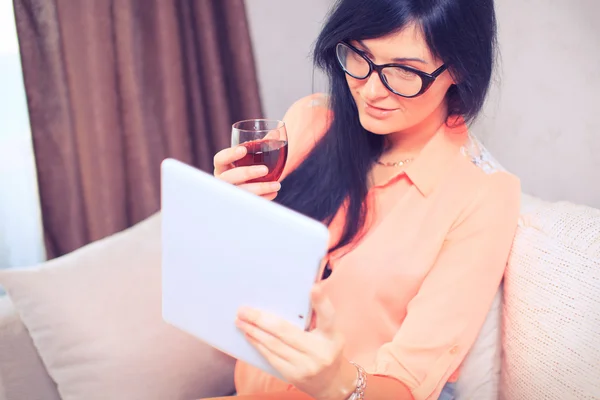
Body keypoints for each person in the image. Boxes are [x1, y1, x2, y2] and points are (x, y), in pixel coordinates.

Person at [212, 0, 520, 399]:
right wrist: (225, 215)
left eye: (405, 71)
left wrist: (333, 380)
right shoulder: (311, 122)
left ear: (459, 69)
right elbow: (239, 287)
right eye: (360, 55)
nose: (371, 90)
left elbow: (410, 384)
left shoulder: (484, 195)